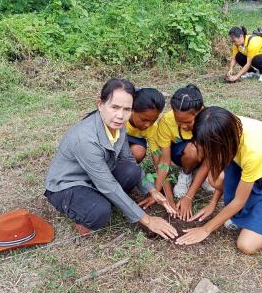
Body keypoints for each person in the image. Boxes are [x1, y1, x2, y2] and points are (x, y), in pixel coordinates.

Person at [44, 78, 178, 239]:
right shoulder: (86, 139)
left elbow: (128, 160)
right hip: (68, 185)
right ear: (100, 104)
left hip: (98, 176)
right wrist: (148, 220)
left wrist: (152, 189)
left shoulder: (117, 126)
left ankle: (102, 200)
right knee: (100, 211)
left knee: (131, 170)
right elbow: (107, 185)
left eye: (127, 109)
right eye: (114, 107)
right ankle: (82, 212)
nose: (120, 116)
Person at [176, 107, 262, 254]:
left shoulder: (253, 149)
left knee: (246, 245)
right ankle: (260, 203)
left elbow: (239, 201)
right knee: (215, 180)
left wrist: (205, 229)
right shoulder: (221, 125)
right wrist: (212, 203)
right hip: (244, 167)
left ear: (222, 142)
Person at [139, 84, 213, 221]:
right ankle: (186, 174)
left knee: (216, 181)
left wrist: (188, 197)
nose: (184, 126)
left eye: (188, 122)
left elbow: (211, 158)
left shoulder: (210, 120)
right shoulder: (167, 121)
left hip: (208, 156)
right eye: (179, 122)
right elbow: (164, 162)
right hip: (183, 155)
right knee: (193, 150)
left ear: (201, 111)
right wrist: (164, 196)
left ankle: (202, 174)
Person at [126, 88, 165, 164]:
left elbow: (155, 151)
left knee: (138, 152)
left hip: (133, 144)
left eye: (153, 121)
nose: (148, 125)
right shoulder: (120, 118)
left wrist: (159, 169)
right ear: (132, 110)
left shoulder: (153, 128)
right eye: (144, 120)